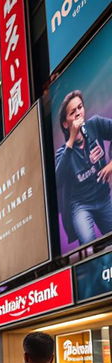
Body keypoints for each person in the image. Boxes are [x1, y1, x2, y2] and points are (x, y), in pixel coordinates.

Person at [55, 90, 112, 248]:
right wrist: (72, 138)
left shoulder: (95, 124)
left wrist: (111, 164)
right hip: (81, 206)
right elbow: (58, 179)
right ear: (65, 123)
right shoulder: (63, 152)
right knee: (88, 243)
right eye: (73, 112)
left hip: (103, 198)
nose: (79, 113)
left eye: (80, 108)